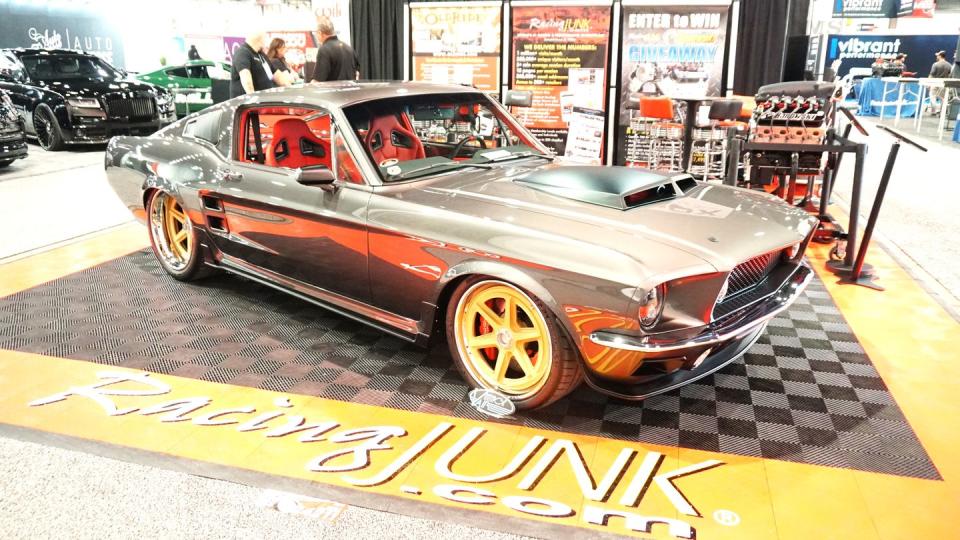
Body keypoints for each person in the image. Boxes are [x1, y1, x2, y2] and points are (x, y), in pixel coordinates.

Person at [230, 31, 287, 97]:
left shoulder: (261, 54)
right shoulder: (242, 53)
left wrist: (289, 88)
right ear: (260, 40)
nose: (265, 42)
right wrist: (253, 99)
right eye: (264, 39)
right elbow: (246, 78)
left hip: (264, 99)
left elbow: (276, 74)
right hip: (247, 103)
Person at [310, 15, 359, 82]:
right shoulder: (349, 48)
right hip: (350, 91)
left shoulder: (324, 50)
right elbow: (357, 74)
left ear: (320, 33)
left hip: (333, 91)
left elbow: (318, 80)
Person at [929, 50, 953, 114]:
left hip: (935, 82)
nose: (936, 57)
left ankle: (934, 110)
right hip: (944, 83)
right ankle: (942, 111)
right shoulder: (949, 65)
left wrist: (928, 83)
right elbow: (951, 75)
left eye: (937, 56)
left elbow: (932, 74)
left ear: (940, 56)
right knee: (943, 98)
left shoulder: (935, 64)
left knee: (932, 96)